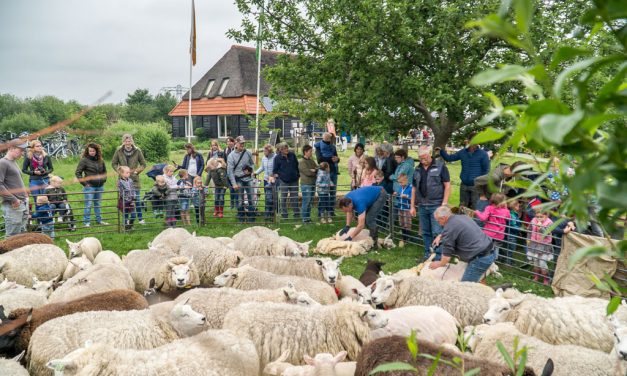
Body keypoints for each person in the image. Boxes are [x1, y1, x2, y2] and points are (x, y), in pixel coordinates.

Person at [429, 206, 495, 283]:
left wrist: (439, 263)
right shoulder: (462, 217)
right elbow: (456, 228)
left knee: (464, 287)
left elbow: (446, 258)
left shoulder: (449, 230)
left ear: (443, 218)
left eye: (438, 221)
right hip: (490, 249)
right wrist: (441, 235)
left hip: (481, 258)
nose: (438, 223)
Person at [410, 148, 451, 259]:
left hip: (436, 205)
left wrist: (444, 203)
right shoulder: (417, 169)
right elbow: (413, 188)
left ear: (430, 155)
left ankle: (438, 256)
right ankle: (428, 254)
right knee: (425, 231)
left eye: (426, 158)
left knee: (437, 231)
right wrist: (412, 206)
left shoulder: (440, 166)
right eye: (421, 159)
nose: (423, 161)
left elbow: (447, 185)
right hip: (422, 205)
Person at [438, 132, 490, 210]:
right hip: (464, 185)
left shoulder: (483, 154)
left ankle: (475, 222)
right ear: (468, 141)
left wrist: (481, 185)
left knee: (475, 208)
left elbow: (486, 170)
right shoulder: (463, 152)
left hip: (476, 186)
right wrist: (441, 151)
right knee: (462, 207)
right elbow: (450, 158)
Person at [111, 134, 147, 224]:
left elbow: (143, 164)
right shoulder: (119, 150)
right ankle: (126, 220)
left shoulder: (137, 150)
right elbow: (114, 163)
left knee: (137, 200)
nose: (128, 143)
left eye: (129, 141)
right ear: (123, 142)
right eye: (126, 141)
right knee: (125, 201)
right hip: (123, 181)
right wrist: (120, 171)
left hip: (134, 180)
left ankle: (140, 219)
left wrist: (137, 171)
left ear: (132, 141)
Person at [0, 140, 29, 237]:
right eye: (21, 150)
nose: (23, 152)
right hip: (13, 205)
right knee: (12, 237)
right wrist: (14, 199)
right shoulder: (3, 163)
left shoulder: (13, 162)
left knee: (21, 235)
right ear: (11, 148)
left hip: (22, 203)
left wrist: (25, 196)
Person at [469, 192, 510, 260]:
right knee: (496, 248)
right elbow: (508, 218)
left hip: (489, 233)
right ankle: (493, 260)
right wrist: (506, 208)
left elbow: (483, 218)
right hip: (499, 235)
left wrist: (477, 212)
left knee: (486, 248)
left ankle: (485, 261)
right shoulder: (506, 211)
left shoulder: (489, 208)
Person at [75, 142, 108, 227]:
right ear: (87, 151)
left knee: (98, 204)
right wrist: (84, 183)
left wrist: (104, 180)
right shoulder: (84, 160)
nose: (92, 152)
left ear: (96, 151)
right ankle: (86, 222)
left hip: (100, 186)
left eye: (93, 151)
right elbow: (78, 173)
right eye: (90, 151)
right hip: (90, 187)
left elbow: (104, 172)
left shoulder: (101, 160)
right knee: (88, 204)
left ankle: (99, 220)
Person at [227, 136, 255, 223]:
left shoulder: (248, 153)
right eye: (241, 143)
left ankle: (251, 216)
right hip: (238, 179)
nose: (243, 145)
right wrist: (234, 183)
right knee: (240, 199)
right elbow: (230, 171)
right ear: (236, 144)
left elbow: (252, 164)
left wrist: (250, 170)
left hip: (248, 178)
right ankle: (241, 216)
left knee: (251, 198)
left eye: (243, 143)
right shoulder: (231, 156)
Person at [314, 132, 340, 217]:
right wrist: (331, 159)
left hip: (333, 172)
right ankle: (321, 212)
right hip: (324, 173)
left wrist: (337, 159)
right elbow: (320, 160)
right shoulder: (318, 147)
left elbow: (336, 157)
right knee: (323, 193)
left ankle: (331, 211)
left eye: (331, 138)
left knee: (333, 192)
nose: (330, 139)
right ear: (325, 138)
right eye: (329, 138)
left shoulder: (333, 147)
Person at [273, 143, 300, 219]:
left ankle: (296, 214)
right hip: (283, 181)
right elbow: (275, 170)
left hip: (294, 180)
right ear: (281, 150)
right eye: (285, 148)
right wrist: (279, 176)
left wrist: (298, 175)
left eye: (287, 148)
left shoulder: (292, 155)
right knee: (283, 199)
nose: (287, 149)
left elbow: (297, 165)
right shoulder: (277, 158)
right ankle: (284, 215)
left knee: (294, 198)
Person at [527, 207, 554, 285]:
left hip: (544, 245)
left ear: (546, 216)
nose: (539, 218)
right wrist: (528, 239)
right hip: (534, 244)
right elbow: (529, 230)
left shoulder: (550, 223)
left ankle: (546, 278)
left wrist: (541, 228)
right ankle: (536, 276)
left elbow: (547, 234)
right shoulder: (533, 221)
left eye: (541, 217)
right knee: (535, 261)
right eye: (537, 216)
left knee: (542, 262)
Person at [255, 144, 276, 220]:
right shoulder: (264, 158)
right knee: (267, 197)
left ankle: (273, 213)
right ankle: (267, 213)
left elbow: (277, 168)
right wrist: (255, 173)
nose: (264, 152)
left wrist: (274, 176)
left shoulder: (275, 157)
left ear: (269, 151)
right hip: (266, 180)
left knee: (273, 197)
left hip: (274, 180)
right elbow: (262, 167)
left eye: (265, 151)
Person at [298, 145, 318, 224]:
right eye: (310, 151)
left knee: (310, 201)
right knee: (306, 201)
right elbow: (308, 172)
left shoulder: (311, 160)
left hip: (313, 183)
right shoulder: (301, 162)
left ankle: (308, 218)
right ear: (305, 152)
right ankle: (304, 219)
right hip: (306, 184)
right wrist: (313, 171)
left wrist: (315, 170)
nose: (311, 153)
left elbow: (317, 168)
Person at [394, 173, 412, 247]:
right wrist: (397, 195)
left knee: (407, 223)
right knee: (401, 222)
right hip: (400, 207)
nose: (400, 184)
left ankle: (407, 238)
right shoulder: (400, 188)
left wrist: (406, 196)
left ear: (406, 180)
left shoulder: (410, 187)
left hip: (407, 208)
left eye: (401, 182)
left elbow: (412, 197)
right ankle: (403, 237)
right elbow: (399, 196)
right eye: (399, 182)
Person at [117, 166, 136, 230]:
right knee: (126, 215)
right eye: (127, 172)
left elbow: (133, 189)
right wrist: (128, 200)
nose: (129, 174)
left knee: (133, 215)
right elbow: (121, 193)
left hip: (131, 201)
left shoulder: (130, 180)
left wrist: (133, 199)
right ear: (122, 174)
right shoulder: (120, 182)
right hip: (124, 201)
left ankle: (130, 225)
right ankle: (125, 227)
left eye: (129, 172)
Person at [504, 200, 522, 265]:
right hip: (511, 235)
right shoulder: (512, 215)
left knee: (510, 249)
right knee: (511, 249)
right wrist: (520, 229)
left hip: (512, 234)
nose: (519, 207)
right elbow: (512, 225)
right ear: (514, 206)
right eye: (518, 206)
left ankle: (510, 261)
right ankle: (508, 263)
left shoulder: (514, 214)